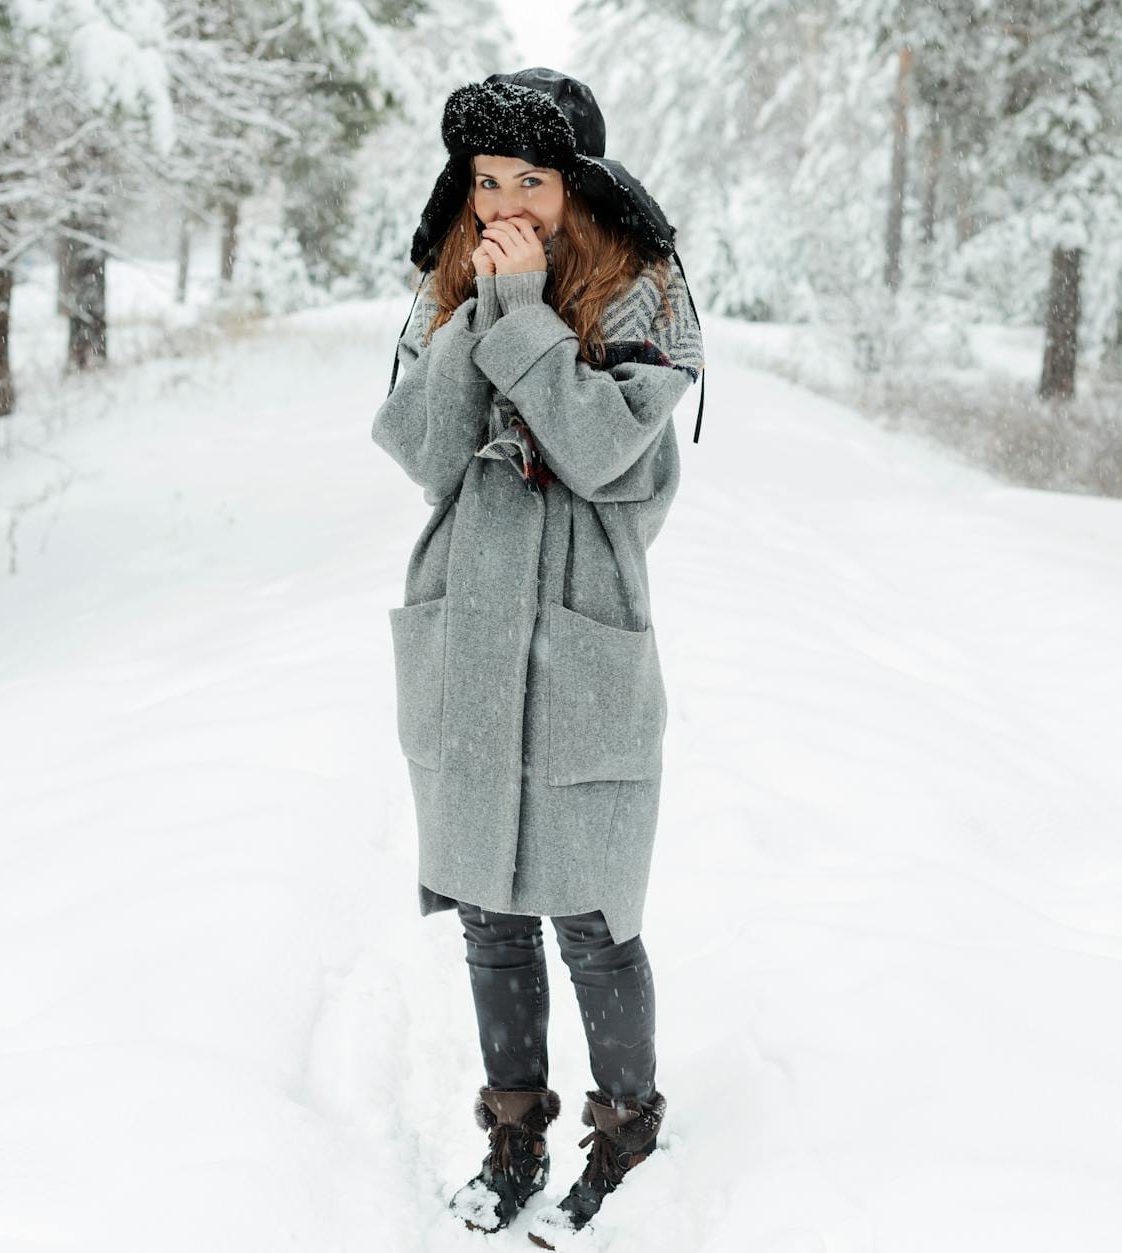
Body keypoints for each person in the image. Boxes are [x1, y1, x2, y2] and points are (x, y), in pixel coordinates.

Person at [370, 67, 706, 1244]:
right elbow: (421, 446)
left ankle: (623, 1128)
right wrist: (478, 315)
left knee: (589, 908)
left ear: (580, 189)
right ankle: (511, 1127)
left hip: (577, 633)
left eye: (530, 179)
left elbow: (604, 454)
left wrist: (520, 319)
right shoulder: (449, 291)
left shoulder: (642, 307)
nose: (503, 200)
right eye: (483, 179)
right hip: (468, 619)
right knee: (487, 908)